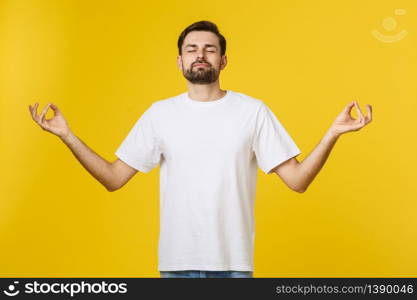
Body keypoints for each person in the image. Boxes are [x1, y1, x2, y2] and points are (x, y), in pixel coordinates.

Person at [28, 21, 373, 279]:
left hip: (234, 266)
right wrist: (66, 135)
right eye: (191, 49)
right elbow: (114, 178)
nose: (200, 55)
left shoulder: (252, 111)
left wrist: (333, 133)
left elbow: (298, 180)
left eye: (209, 49)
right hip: (177, 265)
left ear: (223, 61)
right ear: (179, 62)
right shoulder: (160, 114)